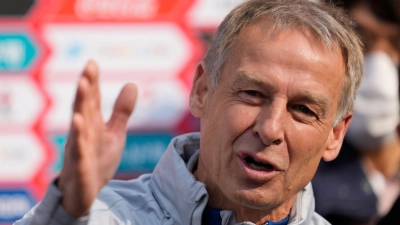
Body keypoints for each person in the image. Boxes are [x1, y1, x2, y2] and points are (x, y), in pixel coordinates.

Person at [15, 0, 364, 224]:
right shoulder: (99, 217)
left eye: (302, 109)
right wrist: (65, 214)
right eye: (253, 94)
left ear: (335, 134)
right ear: (202, 91)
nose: (270, 128)